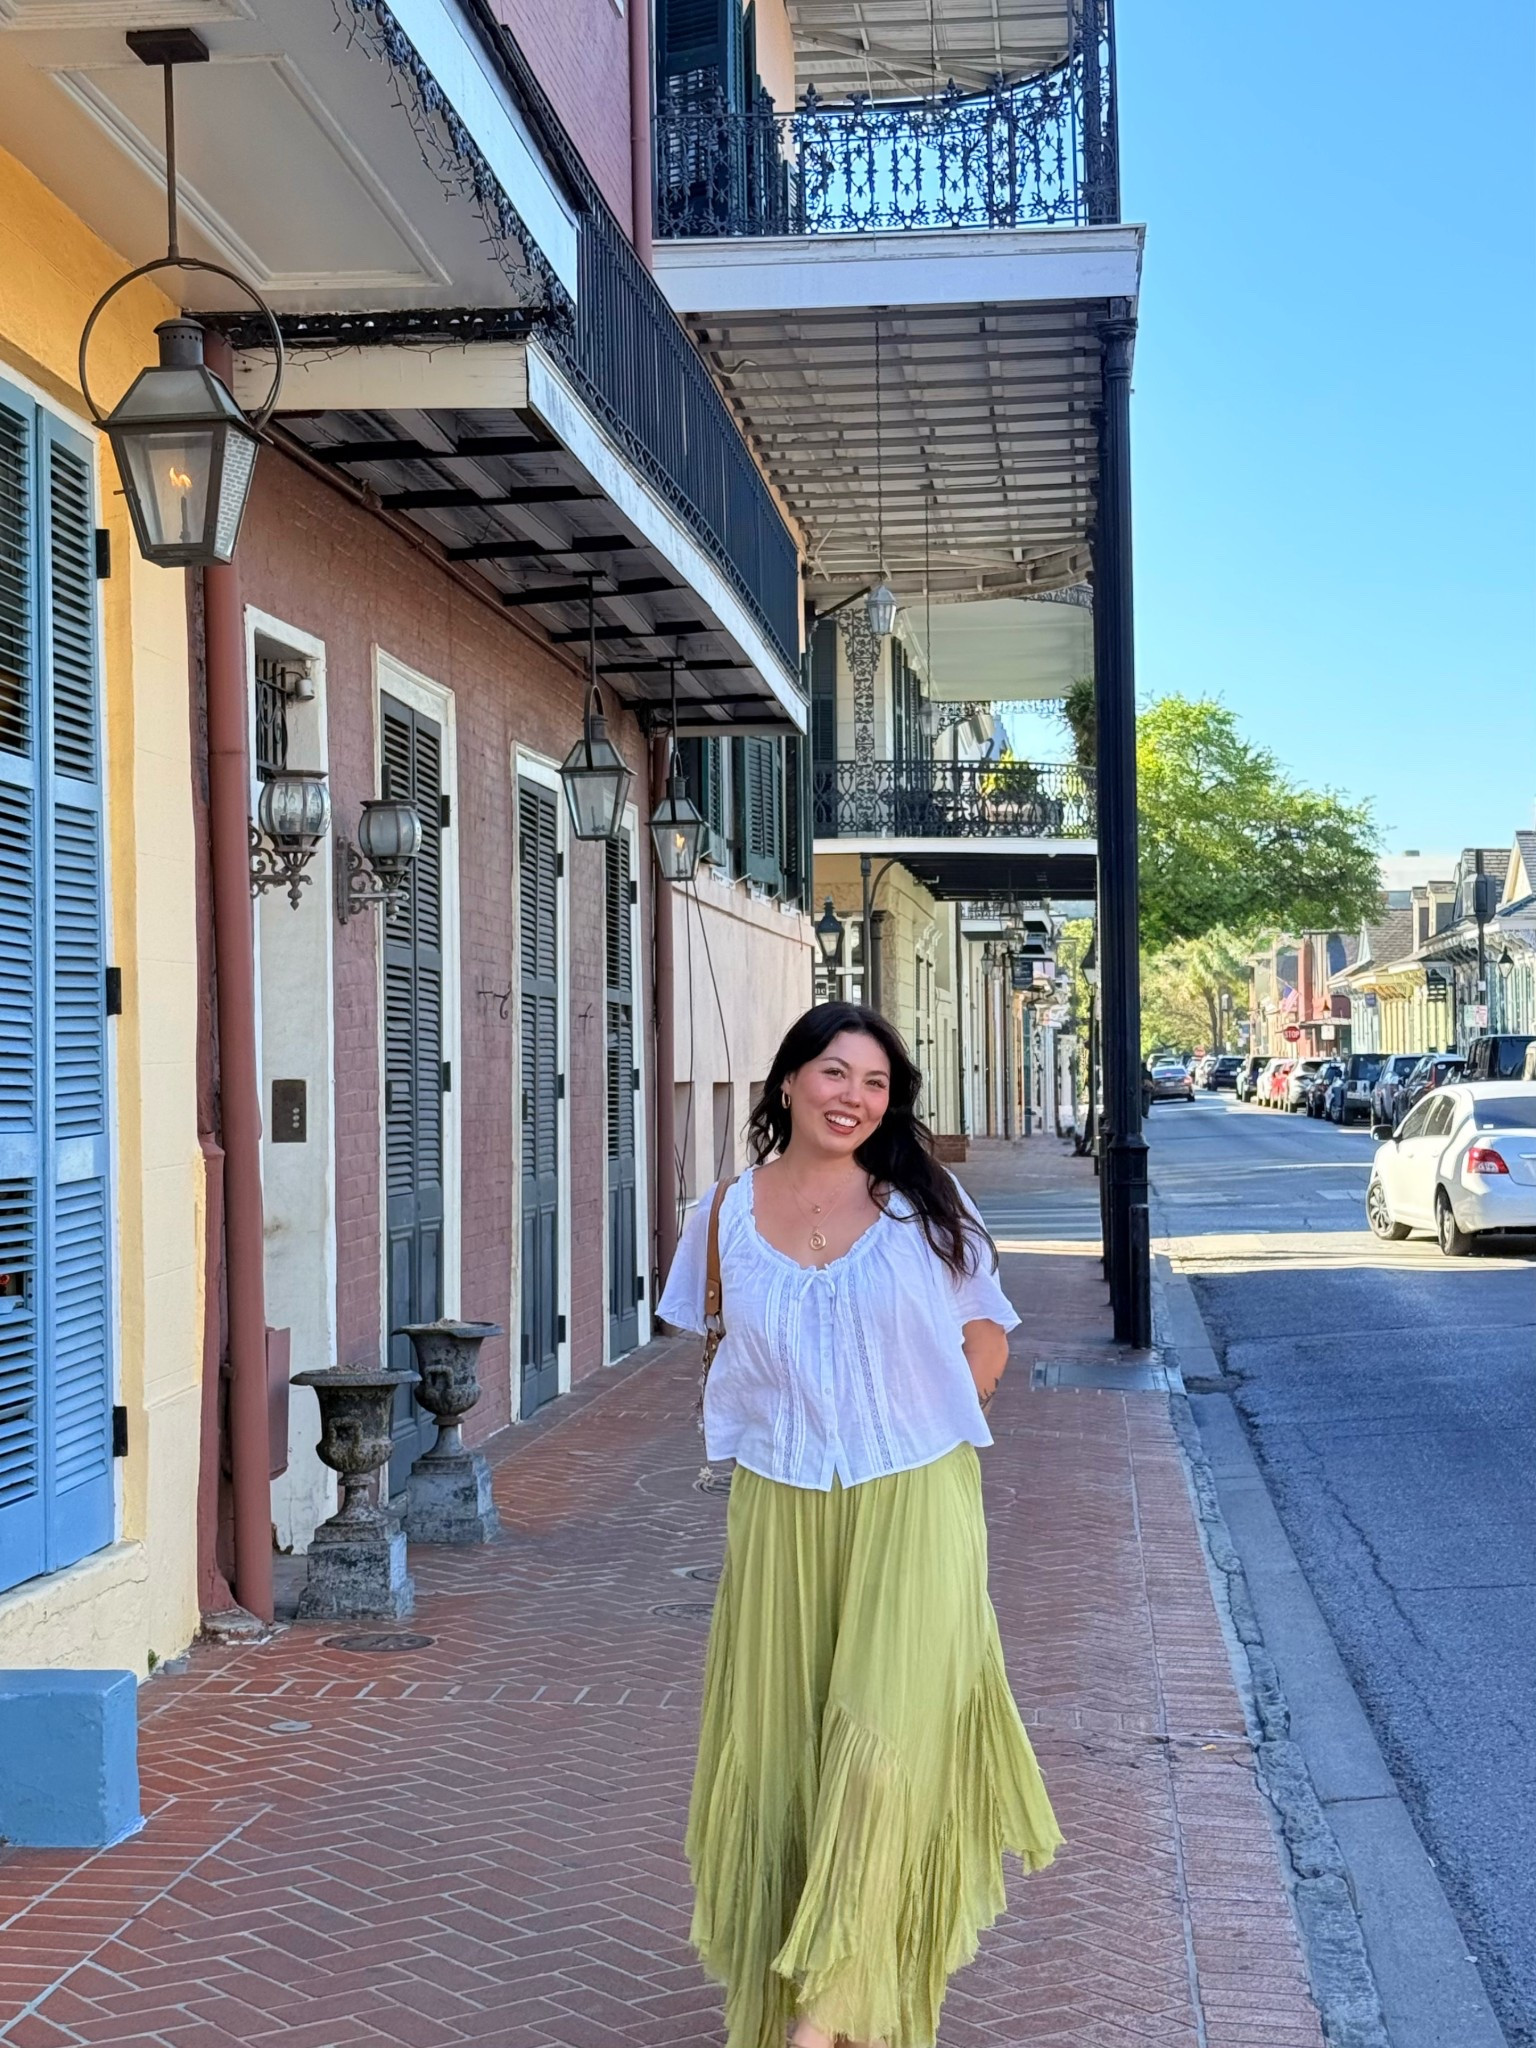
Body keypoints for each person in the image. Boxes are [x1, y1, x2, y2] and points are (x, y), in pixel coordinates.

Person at [658, 1002, 1061, 2048]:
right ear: (788, 1079)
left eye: (877, 1082)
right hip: (782, 1506)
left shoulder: (924, 1203)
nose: (855, 1096)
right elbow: (718, 1348)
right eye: (835, 1072)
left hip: (915, 1498)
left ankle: (818, 2014)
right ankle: (837, 1994)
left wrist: (923, 1422)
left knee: (883, 1749)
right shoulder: (721, 1217)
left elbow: (988, 1337)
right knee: (787, 1756)